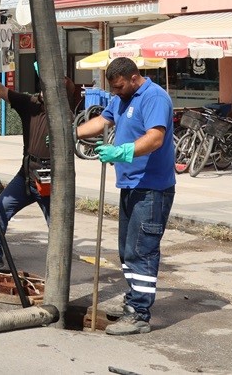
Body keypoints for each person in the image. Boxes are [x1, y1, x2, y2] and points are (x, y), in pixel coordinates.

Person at [75, 56, 176, 336]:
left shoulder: (155, 97)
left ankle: (140, 315)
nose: (116, 93)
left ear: (134, 78)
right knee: (127, 251)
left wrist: (122, 151)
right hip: (131, 186)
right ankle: (134, 304)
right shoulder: (122, 98)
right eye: (114, 89)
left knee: (142, 251)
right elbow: (103, 120)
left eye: (120, 87)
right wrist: (70, 133)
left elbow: (155, 138)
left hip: (152, 189)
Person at [0, 53, 80, 276]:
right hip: (27, 175)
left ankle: (59, 273)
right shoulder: (31, 104)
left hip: (51, 180)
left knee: (57, 226)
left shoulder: (65, 116)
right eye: (43, 86)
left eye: (50, 89)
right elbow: (1, 90)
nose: (43, 92)